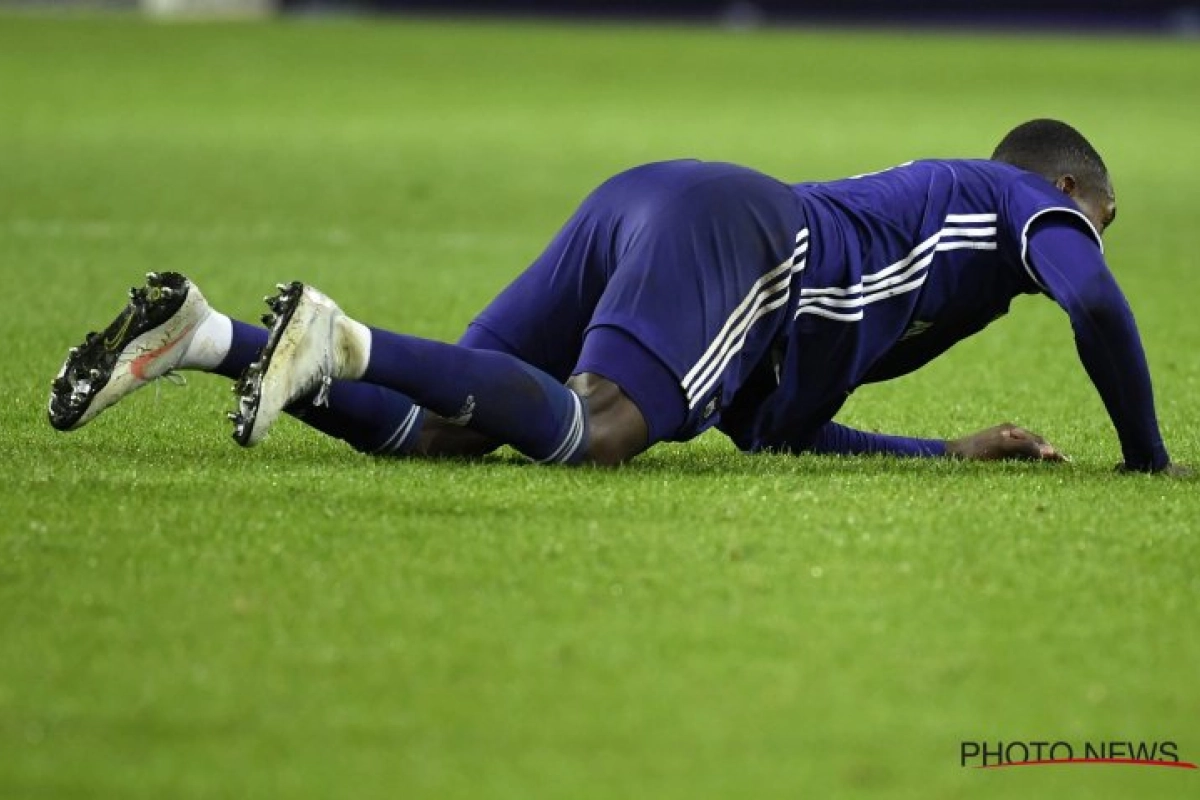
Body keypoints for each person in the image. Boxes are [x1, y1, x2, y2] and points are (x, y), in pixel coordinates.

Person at [48, 119, 1181, 474]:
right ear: (1068, 191)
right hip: (742, 227)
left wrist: (946, 453)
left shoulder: (929, 278)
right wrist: (1144, 460)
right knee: (598, 430)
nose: (1085, 252)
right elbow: (1099, 308)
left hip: (657, 198)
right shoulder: (1009, 202)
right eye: (1093, 224)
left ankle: (204, 333)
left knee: (436, 436)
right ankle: (341, 338)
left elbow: (778, 431)